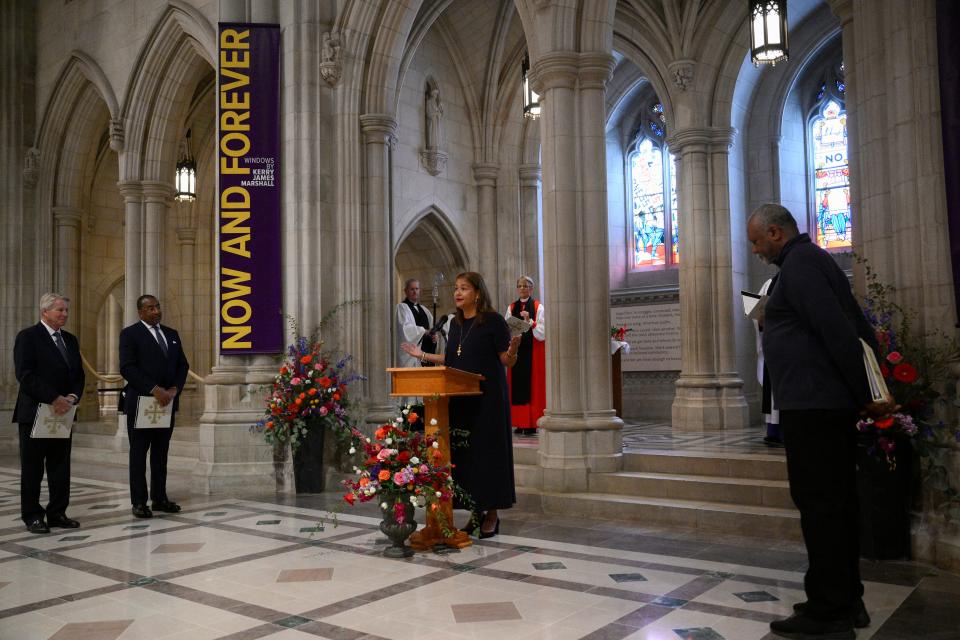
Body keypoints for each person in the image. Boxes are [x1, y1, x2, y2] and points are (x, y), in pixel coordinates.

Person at [746, 203, 894, 640]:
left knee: (821, 508)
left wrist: (869, 393)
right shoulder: (811, 262)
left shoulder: (802, 265)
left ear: (775, 233)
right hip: (822, 403)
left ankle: (828, 610)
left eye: (756, 241)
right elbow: (856, 325)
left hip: (815, 406)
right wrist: (869, 387)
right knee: (837, 505)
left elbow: (837, 329)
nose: (755, 251)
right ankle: (848, 600)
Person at [401, 272, 520, 539]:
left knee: (488, 456)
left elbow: (505, 359)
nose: (457, 293)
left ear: (477, 293)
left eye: (464, 288)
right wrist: (422, 355)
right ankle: (474, 511)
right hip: (460, 399)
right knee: (467, 458)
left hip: (488, 398)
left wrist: (512, 352)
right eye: (456, 288)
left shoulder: (493, 321)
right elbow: (452, 358)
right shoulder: (454, 323)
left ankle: (491, 514)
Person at [13, 293, 85, 534]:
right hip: (35, 411)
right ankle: (33, 515)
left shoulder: (71, 340)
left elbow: (79, 375)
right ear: (45, 312)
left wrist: (72, 398)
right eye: (60, 310)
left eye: (66, 310)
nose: (65, 314)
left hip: (63, 413)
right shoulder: (28, 337)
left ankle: (57, 513)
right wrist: (54, 398)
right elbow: (25, 374)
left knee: (60, 467)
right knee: (33, 468)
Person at [119, 295, 190, 519]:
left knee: (161, 453)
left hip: (166, 403)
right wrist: (154, 389)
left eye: (158, 306)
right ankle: (139, 502)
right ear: (140, 312)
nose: (156, 311)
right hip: (142, 402)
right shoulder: (130, 334)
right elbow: (127, 368)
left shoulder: (172, 334)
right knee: (139, 454)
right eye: (150, 308)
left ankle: (159, 498)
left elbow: (183, 365)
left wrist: (174, 390)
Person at [505, 275, 545, 437]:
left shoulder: (538, 306)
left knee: (533, 387)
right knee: (516, 386)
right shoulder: (511, 306)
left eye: (526, 286)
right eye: (520, 286)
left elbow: (543, 331)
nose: (522, 288)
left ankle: (531, 424)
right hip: (517, 349)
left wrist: (531, 321)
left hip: (533, 352)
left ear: (531, 288)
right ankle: (519, 422)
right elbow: (507, 326)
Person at [754, 276, 782, 446]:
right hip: (774, 348)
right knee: (772, 392)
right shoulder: (769, 284)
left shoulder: (804, 277)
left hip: (794, 350)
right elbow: (756, 315)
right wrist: (760, 322)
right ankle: (773, 431)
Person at [395, 279, 436, 368]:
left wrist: (434, 336)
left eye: (417, 289)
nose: (415, 292)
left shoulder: (425, 310)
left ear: (420, 291)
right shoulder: (401, 307)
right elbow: (405, 329)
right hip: (411, 356)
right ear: (405, 291)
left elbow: (432, 329)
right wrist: (424, 331)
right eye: (412, 289)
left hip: (427, 352)